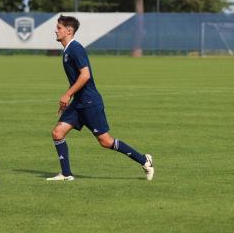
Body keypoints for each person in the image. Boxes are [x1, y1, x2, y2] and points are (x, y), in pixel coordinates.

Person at [47, 15, 154, 181]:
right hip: (79, 103)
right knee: (58, 132)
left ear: (69, 31)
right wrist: (68, 98)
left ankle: (144, 160)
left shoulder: (76, 49)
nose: (56, 30)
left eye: (59, 28)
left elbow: (85, 75)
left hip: (90, 102)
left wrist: (68, 94)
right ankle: (66, 174)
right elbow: (77, 79)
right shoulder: (68, 50)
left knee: (105, 141)